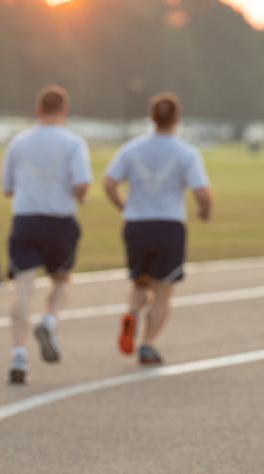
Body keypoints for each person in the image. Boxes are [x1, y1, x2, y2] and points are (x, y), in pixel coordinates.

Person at [104, 92, 212, 365]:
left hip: (137, 224)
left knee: (140, 281)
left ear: (151, 117)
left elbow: (109, 182)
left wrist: (124, 207)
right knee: (163, 290)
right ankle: (147, 344)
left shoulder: (131, 148)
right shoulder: (186, 152)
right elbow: (202, 193)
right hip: (168, 224)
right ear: (177, 118)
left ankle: (131, 313)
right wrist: (204, 212)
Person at [1, 85, 92, 384]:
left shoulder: (19, 141)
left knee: (23, 289)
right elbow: (81, 185)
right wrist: (78, 195)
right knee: (62, 279)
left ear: (38, 109)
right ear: (63, 111)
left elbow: (8, 188)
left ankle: (18, 354)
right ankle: (49, 321)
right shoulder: (73, 142)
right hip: (59, 220)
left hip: (26, 218)